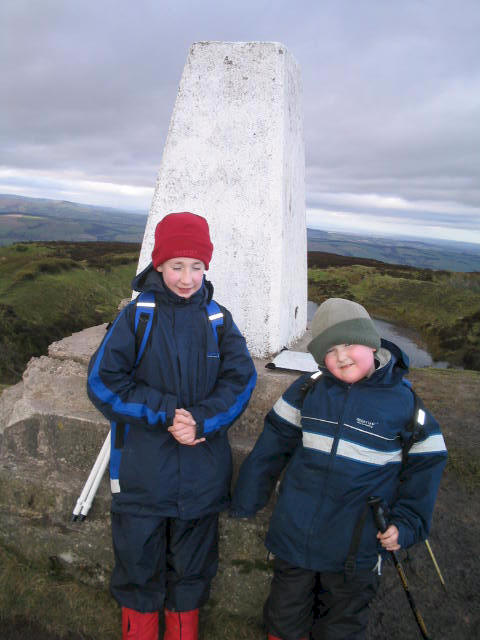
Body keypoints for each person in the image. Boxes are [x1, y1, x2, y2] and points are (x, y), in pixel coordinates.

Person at [230, 297, 447, 640]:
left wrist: (406, 525)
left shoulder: (405, 405)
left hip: (356, 549)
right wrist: (247, 495)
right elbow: (273, 444)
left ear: (371, 343)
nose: (342, 356)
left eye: (349, 343)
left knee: (341, 628)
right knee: (283, 620)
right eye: (330, 350)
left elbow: (427, 465)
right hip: (295, 539)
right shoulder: (307, 390)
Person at [87, 212, 257, 640]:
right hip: (142, 482)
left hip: (200, 483)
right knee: (138, 577)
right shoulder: (136, 317)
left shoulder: (219, 321)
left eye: (197, 266)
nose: (187, 278)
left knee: (191, 579)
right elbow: (102, 382)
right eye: (177, 266)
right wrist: (166, 414)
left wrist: (202, 419)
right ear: (158, 264)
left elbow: (241, 380)